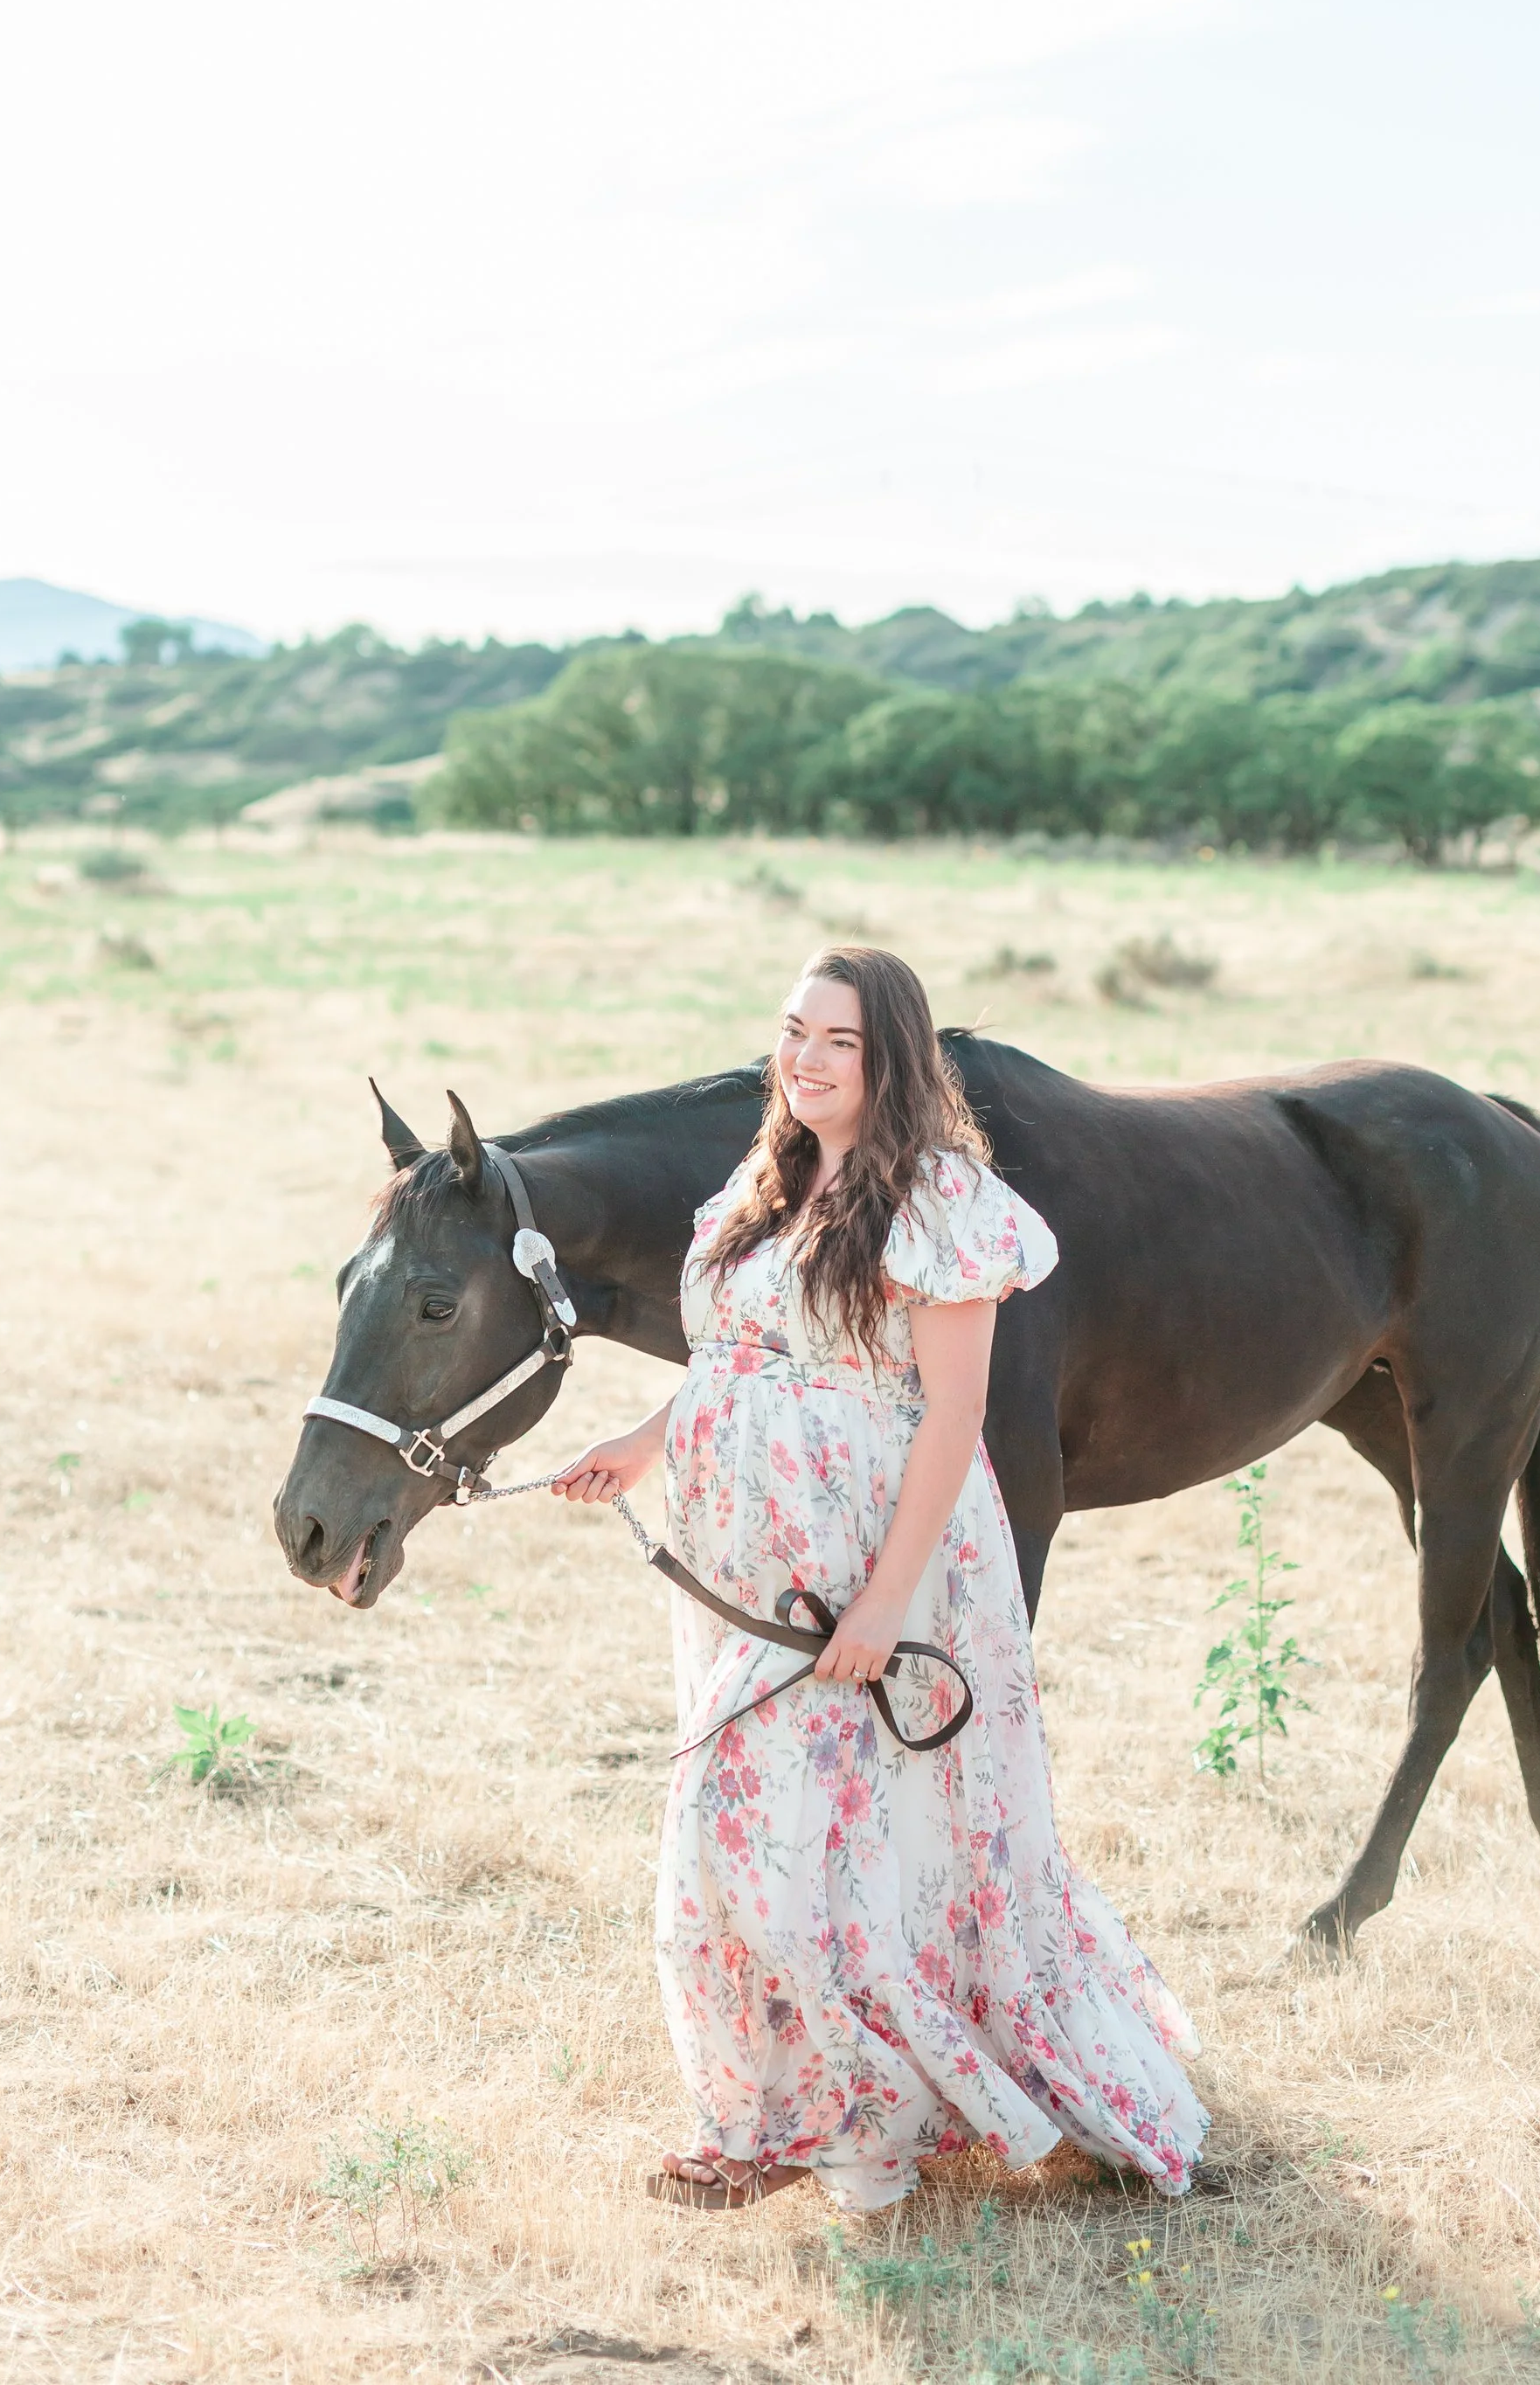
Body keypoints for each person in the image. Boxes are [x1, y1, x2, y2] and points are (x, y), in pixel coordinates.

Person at [551, 944, 1208, 2215]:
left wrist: (881, 1602)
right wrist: (642, 1443)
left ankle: (858, 2125)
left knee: (800, 1854)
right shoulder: (765, 1181)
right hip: (747, 1572)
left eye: (837, 1039)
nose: (803, 1057)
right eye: (793, 1029)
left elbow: (954, 1418)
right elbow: (739, 1355)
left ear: (890, 1057)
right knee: (738, 1852)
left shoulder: (939, 1200)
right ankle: (756, 2114)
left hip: (874, 1578)